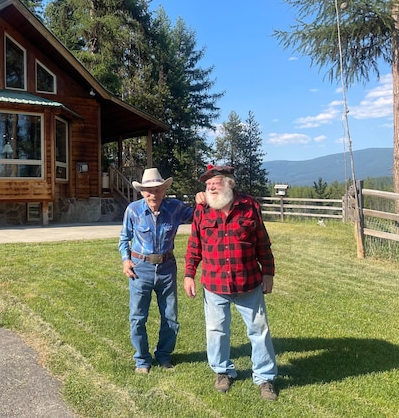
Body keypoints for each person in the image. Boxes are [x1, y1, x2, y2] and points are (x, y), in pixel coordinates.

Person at [183, 165, 279, 400]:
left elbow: (262, 241)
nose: (210, 187)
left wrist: (268, 272)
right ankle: (222, 371)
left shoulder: (249, 206)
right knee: (216, 331)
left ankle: (265, 377)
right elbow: (195, 244)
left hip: (248, 283)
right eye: (207, 185)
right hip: (214, 284)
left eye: (215, 182)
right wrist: (188, 274)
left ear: (229, 184)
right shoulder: (202, 210)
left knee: (259, 330)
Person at [118, 168, 194, 374]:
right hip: (139, 268)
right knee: (137, 317)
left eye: (157, 189)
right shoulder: (133, 210)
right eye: (148, 190)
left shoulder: (175, 208)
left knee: (170, 316)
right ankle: (142, 359)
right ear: (142, 192)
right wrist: (126, 261)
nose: (153, 194)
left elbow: (199, 216)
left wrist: (203, 198)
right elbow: (124, 239)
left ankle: (164, 356)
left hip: (167, 267)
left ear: (164, 190)